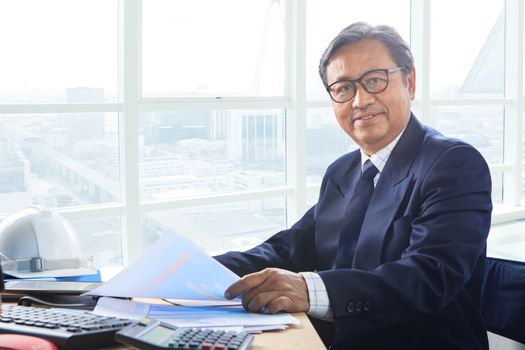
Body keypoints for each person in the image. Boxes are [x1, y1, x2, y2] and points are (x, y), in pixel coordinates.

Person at [215, 22, 492, 350]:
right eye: (343, 88)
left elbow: (428, 276)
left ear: (410, 82)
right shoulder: (342, 171)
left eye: (375, 80)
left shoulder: (453, 163)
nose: (360, 100)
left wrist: (308, 289)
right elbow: (289, 248)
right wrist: (204, 271)